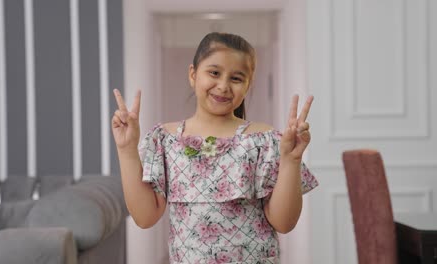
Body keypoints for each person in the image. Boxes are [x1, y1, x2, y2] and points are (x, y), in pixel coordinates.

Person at [112, 32, 319, 264]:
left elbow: (284, 223)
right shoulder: (165, 140)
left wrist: (291, 160)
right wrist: (127, 149)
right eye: (214, 73)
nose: (223, 86)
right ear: (193, 74)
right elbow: (145, 217)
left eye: (236, 78)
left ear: (248, 85)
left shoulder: (266, 141)